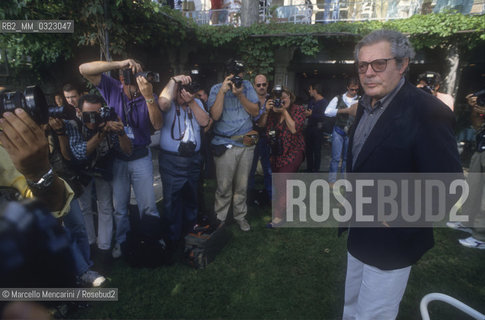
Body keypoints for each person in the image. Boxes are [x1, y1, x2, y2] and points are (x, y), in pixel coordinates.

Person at [342, 29, 461, 319]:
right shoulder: (366, 106)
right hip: (359, 230)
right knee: (351, 306)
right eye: (362, 65)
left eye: (378, 64)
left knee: (373, 314)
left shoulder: (427, 111)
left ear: (403, 64)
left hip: (392, 238)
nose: (368, 73)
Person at [79, 58, 163, 258]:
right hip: (118, 158)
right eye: (131, 78)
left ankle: (153, 238)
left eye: (139, 77)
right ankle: (122, 241)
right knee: (120, 207)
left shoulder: (148, 94)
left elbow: (158, 124)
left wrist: (149, 97)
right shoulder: (113, 87)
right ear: (123, 79)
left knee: (148, 204)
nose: (135, 83)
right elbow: (83, 69)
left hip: (141, 156)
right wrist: (118, 64)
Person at [66, 94, 132, 259]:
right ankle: (89, 245)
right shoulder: (72, 125)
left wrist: (120, 131)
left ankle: (104, 248)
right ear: (78, 112)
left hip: (101, 169)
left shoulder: (106, 123)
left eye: (97, 114)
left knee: (105, 206)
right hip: (80, 172)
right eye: (88, 115)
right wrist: (102, 131)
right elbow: (81, 153)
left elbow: (127, 151)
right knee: (84, 209)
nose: (93, 120)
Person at [157, 74, 210, 254]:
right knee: (172, 201)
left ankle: (190, 236)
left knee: (191, 198)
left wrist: (192, 102)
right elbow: (163, 103)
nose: (184, 95)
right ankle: (172, 240)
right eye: (181, 92)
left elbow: (204, 121)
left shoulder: (196, 103)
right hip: (172, 160)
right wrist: (173, 80)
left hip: (193, 160)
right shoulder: (168, 103)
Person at [208, 59, 259, 231]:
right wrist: (223, 92)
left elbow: (255, 111)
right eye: (234, 75)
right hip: (225, 142)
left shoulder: (247, 86)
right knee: (223, 187)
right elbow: (214, 116)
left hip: (246, 141)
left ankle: (240, 216)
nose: (238, 78)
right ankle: (220, 219)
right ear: (226, 75)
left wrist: (240, 95)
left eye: (240, 74)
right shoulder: (216, 89)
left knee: (242, 185)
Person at [258, 86, 305, 228]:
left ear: (290, 97)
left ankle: (278, 217)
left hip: (294, 151)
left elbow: (294, 128)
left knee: (284, 182)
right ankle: (286, 208)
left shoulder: (298, 110)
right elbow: (261, 126)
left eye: (285, 97)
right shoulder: (272, 112)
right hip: (277, 152)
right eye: (279, 98)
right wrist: (266, 111)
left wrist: (284, 111)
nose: (282, 100)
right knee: (279, 183)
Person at [447, 92, 485, 249]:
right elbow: (477, 125)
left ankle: (481, 236)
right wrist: (476, 111)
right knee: (473, 186)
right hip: (481, 146)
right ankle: (467, 221)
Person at [324, 77, 360, 185]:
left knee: (347, 158)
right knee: (335, 157)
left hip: (352, 132)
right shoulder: (338, 98)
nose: (354, 92)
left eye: (356, 90)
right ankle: (332, 181)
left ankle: (345, 180)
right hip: (338, 130)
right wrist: (346, 110)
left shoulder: (361, 99)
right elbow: (327, 112)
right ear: (347, 87)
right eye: (352, 89)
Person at [248, 74, 272, 205]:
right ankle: (249, 197)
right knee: (248, 167)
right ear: (254, 86)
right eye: (258, 85)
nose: (261, 87)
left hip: (268, 135)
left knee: (269, 168)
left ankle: (270, 197)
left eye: (264, 84)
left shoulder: (273, 99)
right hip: (251, 134)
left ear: (267, 84)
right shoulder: (250, 100)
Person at [304, 83, 329, 172]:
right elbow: (309, 112)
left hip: (318, 129)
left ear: (315, 90)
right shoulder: (311, 101)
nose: (309, 91)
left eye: (310, 89)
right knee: (308, 150)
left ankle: (316, 169)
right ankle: (309, 168)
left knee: (317, 150)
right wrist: (307, 114)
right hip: (309, 128)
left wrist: (312, 114)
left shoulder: (324, 102)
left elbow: (324, 116)